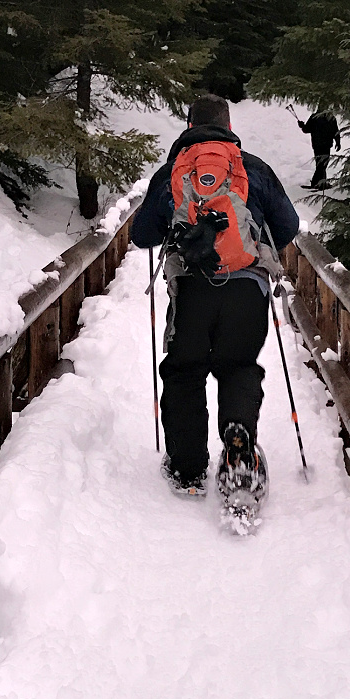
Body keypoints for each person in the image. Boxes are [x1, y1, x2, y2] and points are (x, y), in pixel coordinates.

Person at [131, 94, 299, 498]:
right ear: (228, 125)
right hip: (247, 288)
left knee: (185, 370)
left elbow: (141, 236)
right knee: (238, 365)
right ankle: (239, 448)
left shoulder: (172, 172)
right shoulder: (252, 169)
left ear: (189, 126)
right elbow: (289, 226)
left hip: (191, 288)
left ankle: (188, 469)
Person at [298, 109, 340, 189]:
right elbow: (335, 131)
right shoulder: (330, 117)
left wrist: (302, 125)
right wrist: (338, 142)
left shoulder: (314, 117)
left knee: (320, 164)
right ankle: (319, 183)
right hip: (326, 144)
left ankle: (318, 183)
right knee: (323, 164)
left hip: (317, 144)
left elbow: (307, 129)